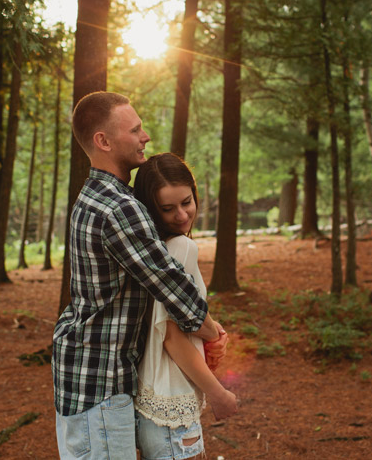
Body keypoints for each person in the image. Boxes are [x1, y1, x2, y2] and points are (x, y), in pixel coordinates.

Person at [52, 92, 229, 459]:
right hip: (100, 380)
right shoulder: (118, 207)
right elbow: (174, 288)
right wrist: (215, 335)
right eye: (135, 130)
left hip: (86, 375)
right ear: (103, 141)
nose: (145, 136)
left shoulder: (93, 195)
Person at [132, 153, 238, 460]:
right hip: (171, 402)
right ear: (151, 210)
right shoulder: (180, 247)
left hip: (150, 402)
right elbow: (172, 338)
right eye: (167, 208)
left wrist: (211, 327)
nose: (181, 215)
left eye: (186, 202)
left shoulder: (150, 252)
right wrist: (219, 394)